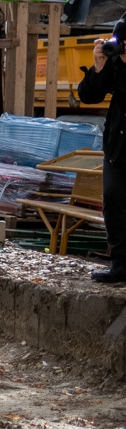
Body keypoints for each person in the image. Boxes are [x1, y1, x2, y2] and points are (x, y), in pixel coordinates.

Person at [78, 17, 126, 284]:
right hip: (117, 146)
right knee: (113, 198)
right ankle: (120, 264)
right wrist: (98, 66)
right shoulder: (114, 62)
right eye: (121, 44)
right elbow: (88, 96)